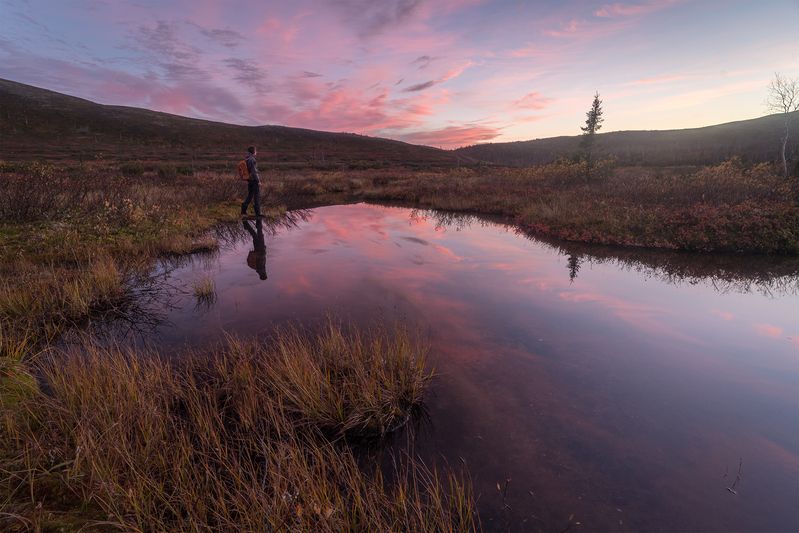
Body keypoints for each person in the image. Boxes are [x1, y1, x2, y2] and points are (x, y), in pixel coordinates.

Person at [241, 145, 262, 217]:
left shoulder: (246, 159)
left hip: (249, 180)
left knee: (250, 196)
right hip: (254, 181)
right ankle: (258, 214)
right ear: (253, 152)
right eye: (256, 151)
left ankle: (243, 211)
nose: (256, 152)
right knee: (256, 196)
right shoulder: (252, 160)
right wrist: (258, 181)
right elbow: (254, 172)